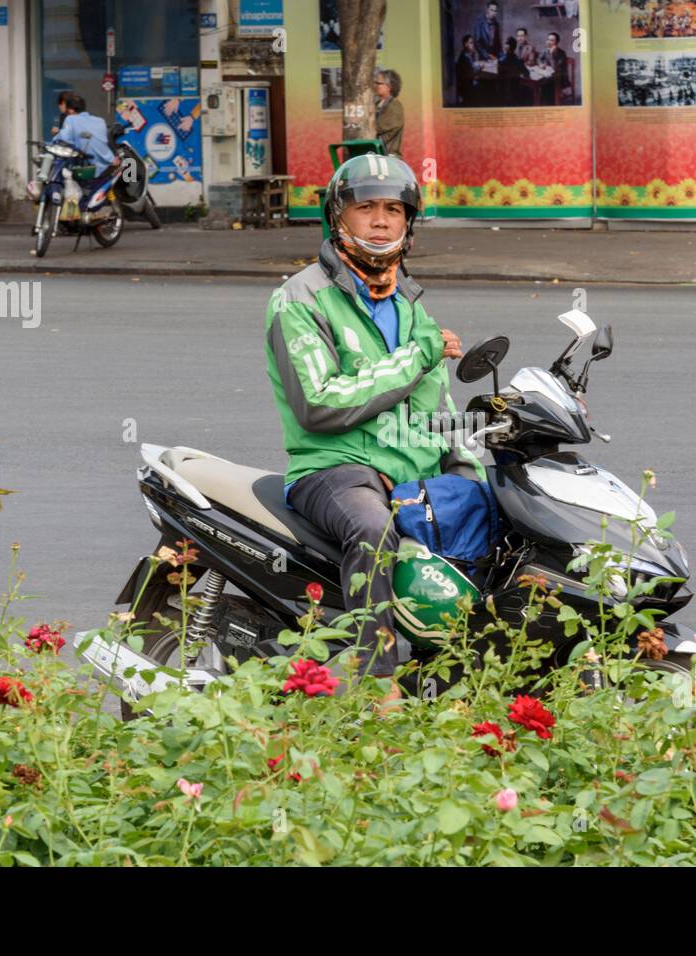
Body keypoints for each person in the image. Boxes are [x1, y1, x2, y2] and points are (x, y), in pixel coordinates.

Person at [264, 155, 481, 682]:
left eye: (393, 209)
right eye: (366, 208)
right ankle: (375, 683)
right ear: (339, 216)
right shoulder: (299, 299)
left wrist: (473, 466)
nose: (381, 220)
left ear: (409, 223)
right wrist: (416, 356)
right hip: (334, 468)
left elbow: (440, 410)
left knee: (492, 521)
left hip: (409, 472)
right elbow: (322, 403)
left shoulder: (410, 306)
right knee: (371, 529)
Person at [373, 69, 404, 158]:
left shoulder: (394, 105)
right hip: (378, 156)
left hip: (388, 158)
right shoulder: (377, 104)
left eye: (378, 83)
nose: (375, 86)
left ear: (389, 86)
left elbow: (379, 128)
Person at [537, 32, 569, 105]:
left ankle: (550, 103)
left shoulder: (561, 53)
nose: (549, 42)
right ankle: (543, 102)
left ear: (557, 42)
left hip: (560, 77)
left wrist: (552, 54)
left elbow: (555, 67)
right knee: (541, 82)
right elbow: (539, 58)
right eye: (548, 40)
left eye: (552, 40)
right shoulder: (545, 50)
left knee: (548, 84)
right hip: (548, 75)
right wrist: (540, 64)